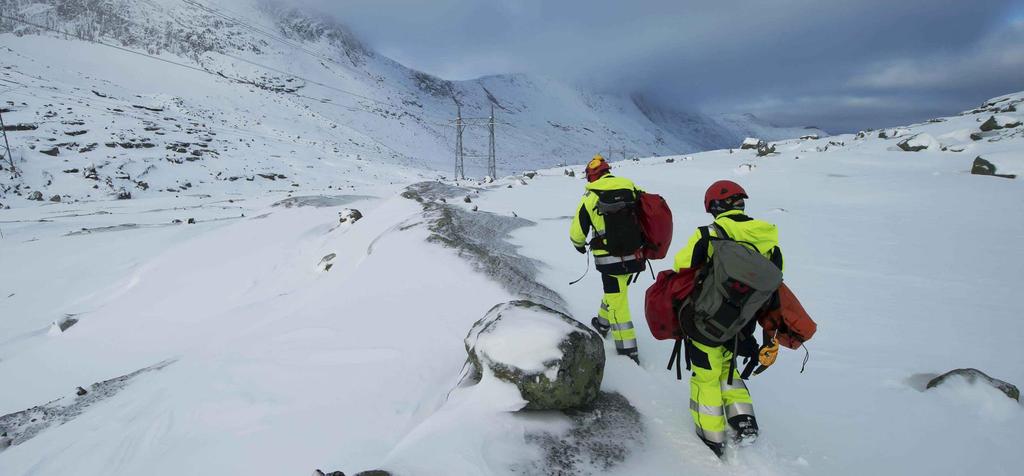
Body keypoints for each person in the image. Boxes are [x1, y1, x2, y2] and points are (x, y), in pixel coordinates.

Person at [673, 180, 783, 457]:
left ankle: (711, 434)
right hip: (743, 323)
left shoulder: (708, 234)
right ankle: (744, 421)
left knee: (706, 376)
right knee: (729, 368)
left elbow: (681, 266)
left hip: (706, 320)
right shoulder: (769, 240)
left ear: (714, 208)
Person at [569, 154, 646, 364]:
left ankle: (628, 351)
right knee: (616, 293)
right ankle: (602, 325)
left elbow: (577, 232)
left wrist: (578, 246)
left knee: (618, 303)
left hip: (609, 259)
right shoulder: (631, 188)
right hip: (636, 255)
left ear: (592, 176)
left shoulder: (590, 196)